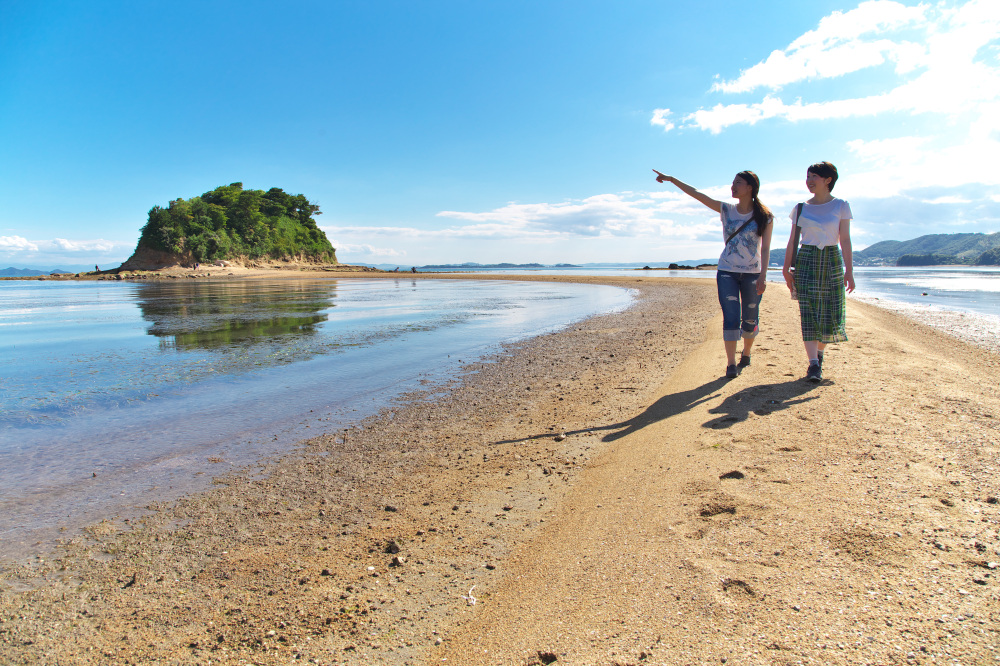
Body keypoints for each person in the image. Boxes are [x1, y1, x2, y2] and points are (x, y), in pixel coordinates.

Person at [655, 169, 774, 378]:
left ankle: (746, 353)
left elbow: (765, 249)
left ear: (750, 187)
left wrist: (763, 275)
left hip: (752, 274)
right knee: (730, 317)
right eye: (732, 182)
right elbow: (697, 194)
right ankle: (730, 364)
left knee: (750, 318)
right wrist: (672, 179)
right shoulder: (726, 210)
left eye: (738, 183)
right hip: (727, 270)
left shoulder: (764, 216)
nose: (732, 186)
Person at [781, 161, 854, 383]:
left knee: (830, 314)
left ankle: (819, 354)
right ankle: (813, 364)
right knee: (809, 313)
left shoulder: (841, 205)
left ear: (828, 180)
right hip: (806, 260)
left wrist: (849, 271)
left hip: (831, 259)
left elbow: (845, 240)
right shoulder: (801, 207)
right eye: (808, 177)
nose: (809, 181)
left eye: (814, 176)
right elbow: (793, 240)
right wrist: (785, 269)